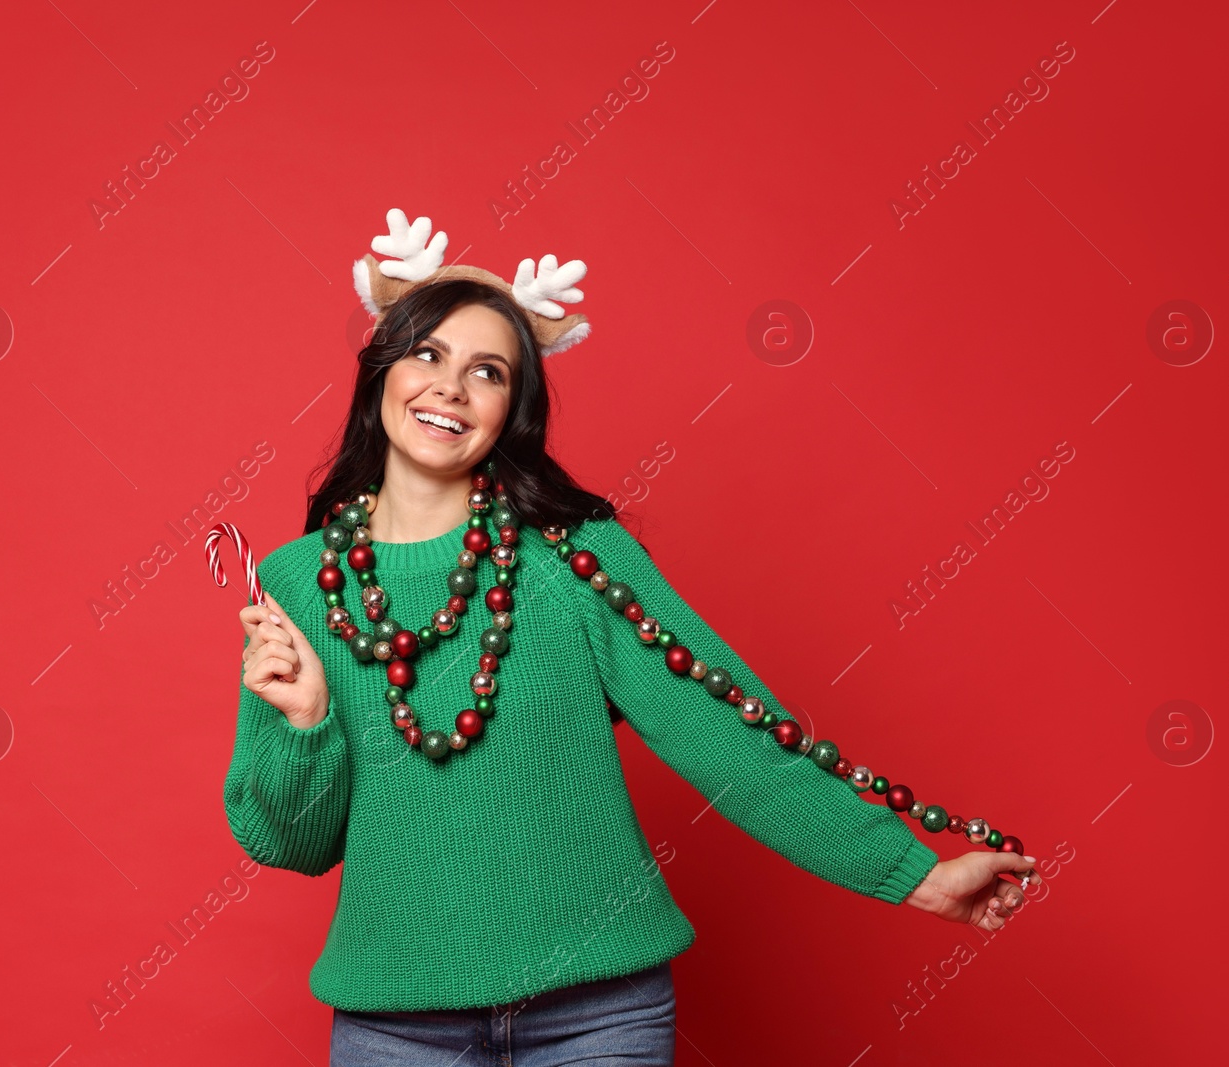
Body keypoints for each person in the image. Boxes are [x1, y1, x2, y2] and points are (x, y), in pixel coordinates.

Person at [222, 211, 1035, 1066]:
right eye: (427, 354)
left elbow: (727, 733)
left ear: (513, 408)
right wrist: (306, 724)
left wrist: (910, 872)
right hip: (394, 1029)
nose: (450, 388)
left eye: (486, 370)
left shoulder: (576, 559)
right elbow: (289, 844)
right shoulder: (297, 582)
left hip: (596, 1020)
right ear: (381, 370)